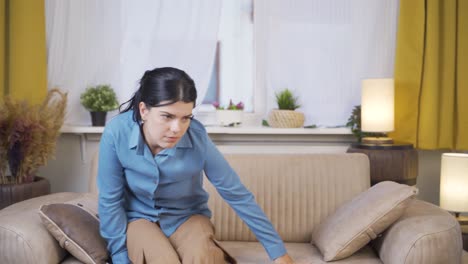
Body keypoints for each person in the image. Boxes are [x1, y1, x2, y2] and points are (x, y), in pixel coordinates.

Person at [97, 67, 294, 264]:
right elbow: (110, 200)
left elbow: (236, 194)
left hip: (187, 218)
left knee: (200, 257)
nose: (177, 129)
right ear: (144, 110)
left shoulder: (197, 137)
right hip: (139, 219)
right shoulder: (116, 133)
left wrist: (278, 253)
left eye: (186, 118)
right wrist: (119, 256)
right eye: (167, 116)